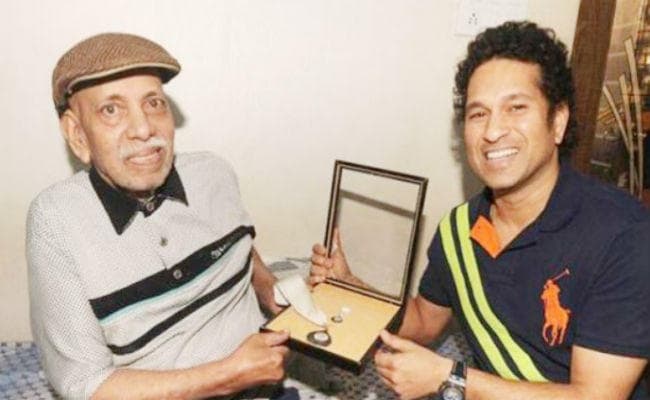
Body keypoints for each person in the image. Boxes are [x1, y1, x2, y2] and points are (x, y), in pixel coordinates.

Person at [311, 21, 650, 399]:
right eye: (478, 114)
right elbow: (423, 321)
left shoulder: (625, 234)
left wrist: (452, 378)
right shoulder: (458, 230)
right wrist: (351, 285)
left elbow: (597, 396)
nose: (492, 131)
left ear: (557, 121)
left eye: (516, 108)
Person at [27, 32, 290, 399]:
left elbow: (240, 246)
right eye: (111, 110)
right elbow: (86, 386)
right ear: (77, 134)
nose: (143, 129)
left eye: (153, 103)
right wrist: (230, 375)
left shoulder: (214, 173)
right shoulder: (55, 221)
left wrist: (268, 288)